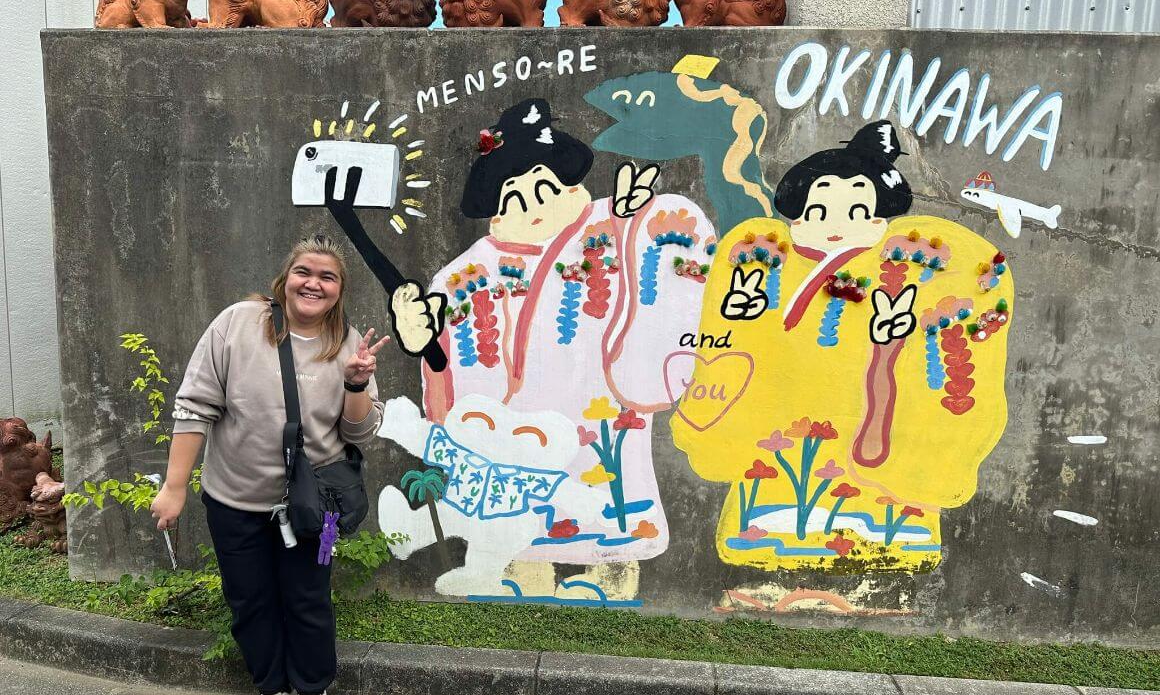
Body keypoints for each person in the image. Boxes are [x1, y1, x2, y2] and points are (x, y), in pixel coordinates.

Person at [376, 98, 716, 603]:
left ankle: (608, 574)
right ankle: (515, 570)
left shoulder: (611, 227)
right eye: (514, 197)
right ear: (495, 209)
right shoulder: (466, 274)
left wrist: (627, 228)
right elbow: (443, 357)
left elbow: (671, 251)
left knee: (605, 507)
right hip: (515, 428)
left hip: (599, 410)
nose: (533, 205)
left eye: (545, 188)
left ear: (571, 186)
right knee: (518, 523)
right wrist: (421, 338)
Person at [674, 120, 1014, 577]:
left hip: (859, 423)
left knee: (874, 520)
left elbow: (940, 340)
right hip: (780, 425)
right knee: (773, 505)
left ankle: (884, 540)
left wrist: (890, 340)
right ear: (797, 218)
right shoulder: (765, 259)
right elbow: (735, 344)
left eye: (855, 211)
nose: (835, 225)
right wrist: (742, 315)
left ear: (877, 220)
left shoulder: (904, 265)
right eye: (819, 211)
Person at [149, 233, 386, 695]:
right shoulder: (238, 324)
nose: (313, 283)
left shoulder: (347, 344)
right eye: (305, 271)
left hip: (313, 504)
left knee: (308, 598)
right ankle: (273, 692)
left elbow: (360, 434)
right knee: (249, 599)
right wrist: (175, 487)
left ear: (339, 289)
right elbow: (195, 406)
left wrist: (356, 384)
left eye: (327, 277)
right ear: (286, 278)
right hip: (234, 500)